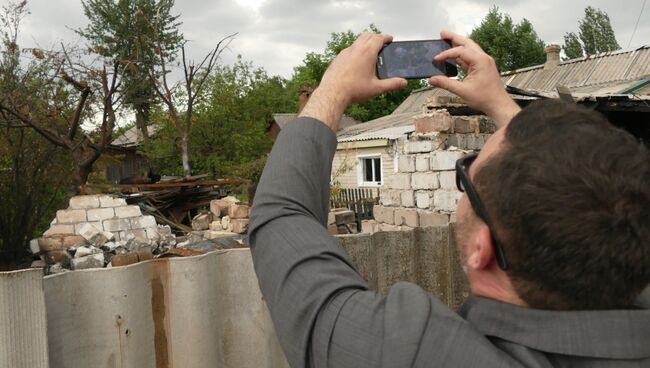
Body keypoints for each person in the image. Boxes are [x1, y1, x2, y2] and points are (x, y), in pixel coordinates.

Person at [248, 31, 650, 367]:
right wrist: (498, 101)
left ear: (483, 247)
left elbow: (284, 217)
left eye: (468, 173)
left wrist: (331, 89)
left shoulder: (420, 355)